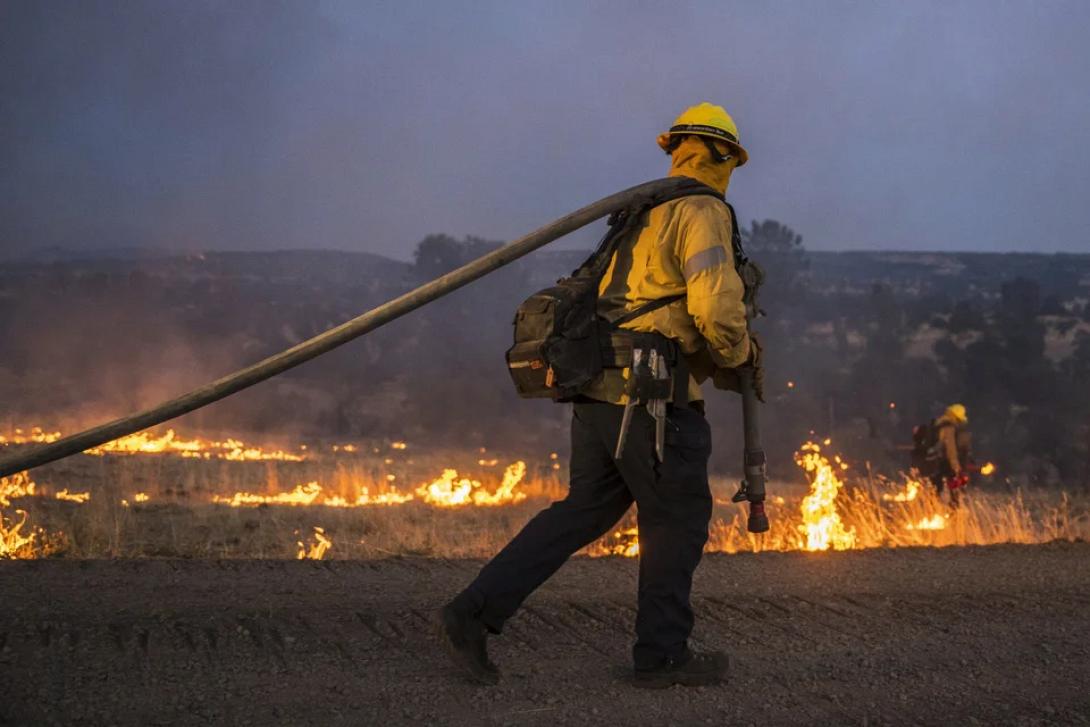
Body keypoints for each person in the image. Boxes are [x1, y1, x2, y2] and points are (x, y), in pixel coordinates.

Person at [437, 102, 761, 689]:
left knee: (582, 511)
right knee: (676, 519)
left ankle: (472, 613)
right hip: (654, 398)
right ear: (722, 155)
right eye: (732, 159)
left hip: (599, 390)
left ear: (676, 147)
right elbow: (715, 305)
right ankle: (662, 655)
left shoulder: (640, 210)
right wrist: (739, 357)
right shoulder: (700, 209)